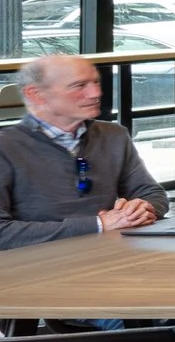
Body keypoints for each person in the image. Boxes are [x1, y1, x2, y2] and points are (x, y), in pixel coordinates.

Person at [0, 53, 166, 246]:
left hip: (111, 253)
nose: (95, 93)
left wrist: (142, 208)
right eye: (79, 85)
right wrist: (98, 224)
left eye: (96, 82)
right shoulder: (7, 147)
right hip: (39, 265)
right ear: (36, 94)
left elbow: (152, 193)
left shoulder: (113, 135)